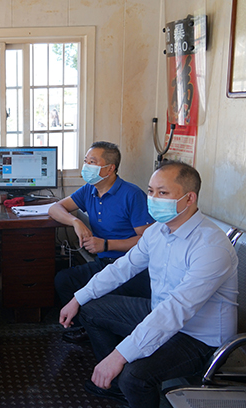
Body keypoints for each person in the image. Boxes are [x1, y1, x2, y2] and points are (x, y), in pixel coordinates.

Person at [59, 161, 239, 408]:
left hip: (199, 337)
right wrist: (77, 298)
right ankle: (115, 386)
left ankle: (125, 383)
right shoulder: (157, 232)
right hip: (160, 312)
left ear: (189, 198)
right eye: (151, 191)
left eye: (163, 193)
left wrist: (119, 356)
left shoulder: (210, 246)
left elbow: (177, 309)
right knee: (89, 309)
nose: (153, 199)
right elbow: (122, 268)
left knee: (134, 376)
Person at [49, 141, 153, 344]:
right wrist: (76, 221)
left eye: (92, 162)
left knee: (95, 295)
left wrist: (107, 245)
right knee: (64, 280)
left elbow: (147, 240)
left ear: (110, 168)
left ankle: (101, 329)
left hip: (132, 267)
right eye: (86, 161)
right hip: (104, 264)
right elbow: (55, 208)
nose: (86, 166)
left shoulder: (132, 195)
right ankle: (86, 327)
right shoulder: (89, 190)